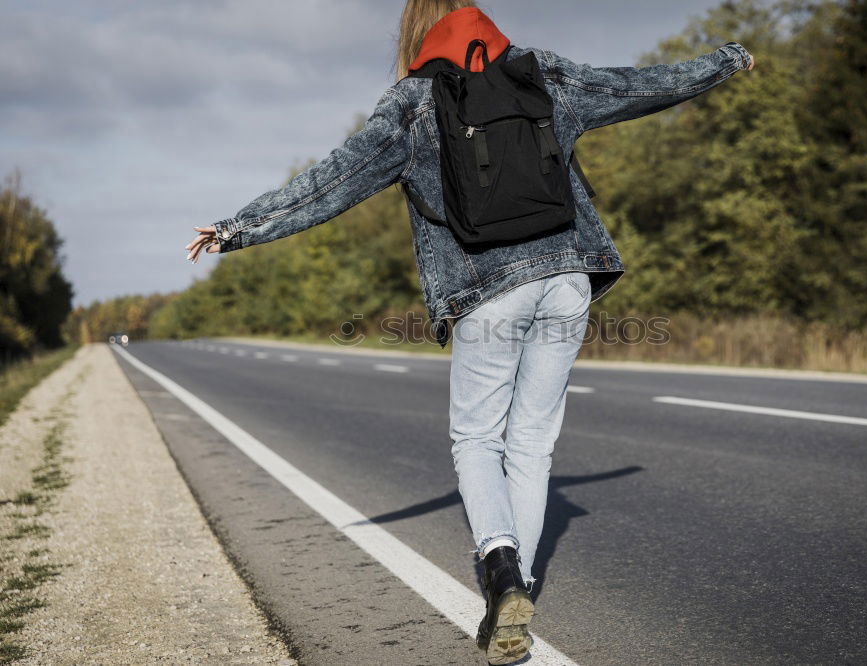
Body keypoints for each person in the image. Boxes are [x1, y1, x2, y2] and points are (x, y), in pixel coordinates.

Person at [185, 1, 753, 662]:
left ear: (415, 32)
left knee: (479, 438)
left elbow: (331, 183)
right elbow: (642, 85)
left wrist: (238, 228)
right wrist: (728, 61)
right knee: (533, 443)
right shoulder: (540, 73)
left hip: (490, 290)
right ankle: (518, 593)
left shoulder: (410, 103)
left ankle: (502, 571)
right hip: (569, 276)